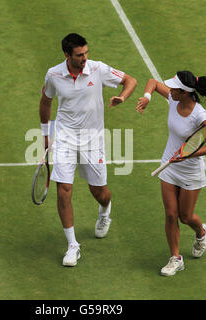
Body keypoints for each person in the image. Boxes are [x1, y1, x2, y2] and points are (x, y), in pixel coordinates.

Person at [39, 33, 137, 267]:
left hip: (93, 140)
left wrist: (122, 97)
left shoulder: (97, 69)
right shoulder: (53, 74)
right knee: (63, 190)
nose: (85, 58)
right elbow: (45, 101)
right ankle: (73, 245)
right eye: (79, 55)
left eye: (86, 53)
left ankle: (105, 210)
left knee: (99, 192)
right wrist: (45, 135)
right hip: (65, 137)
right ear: (67, 55)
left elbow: (130, 81)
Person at [136, 71, 206, 276]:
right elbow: (153, 82)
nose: (170, 91)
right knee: (171, 214)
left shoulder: (200, 115)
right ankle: (175, 258)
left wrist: (187, 155)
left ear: (185, 92)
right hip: (169, 166)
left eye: (174, 88)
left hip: (190, 170)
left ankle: (201, 232)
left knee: (185, 216)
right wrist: (146, 97)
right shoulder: (173, 99)